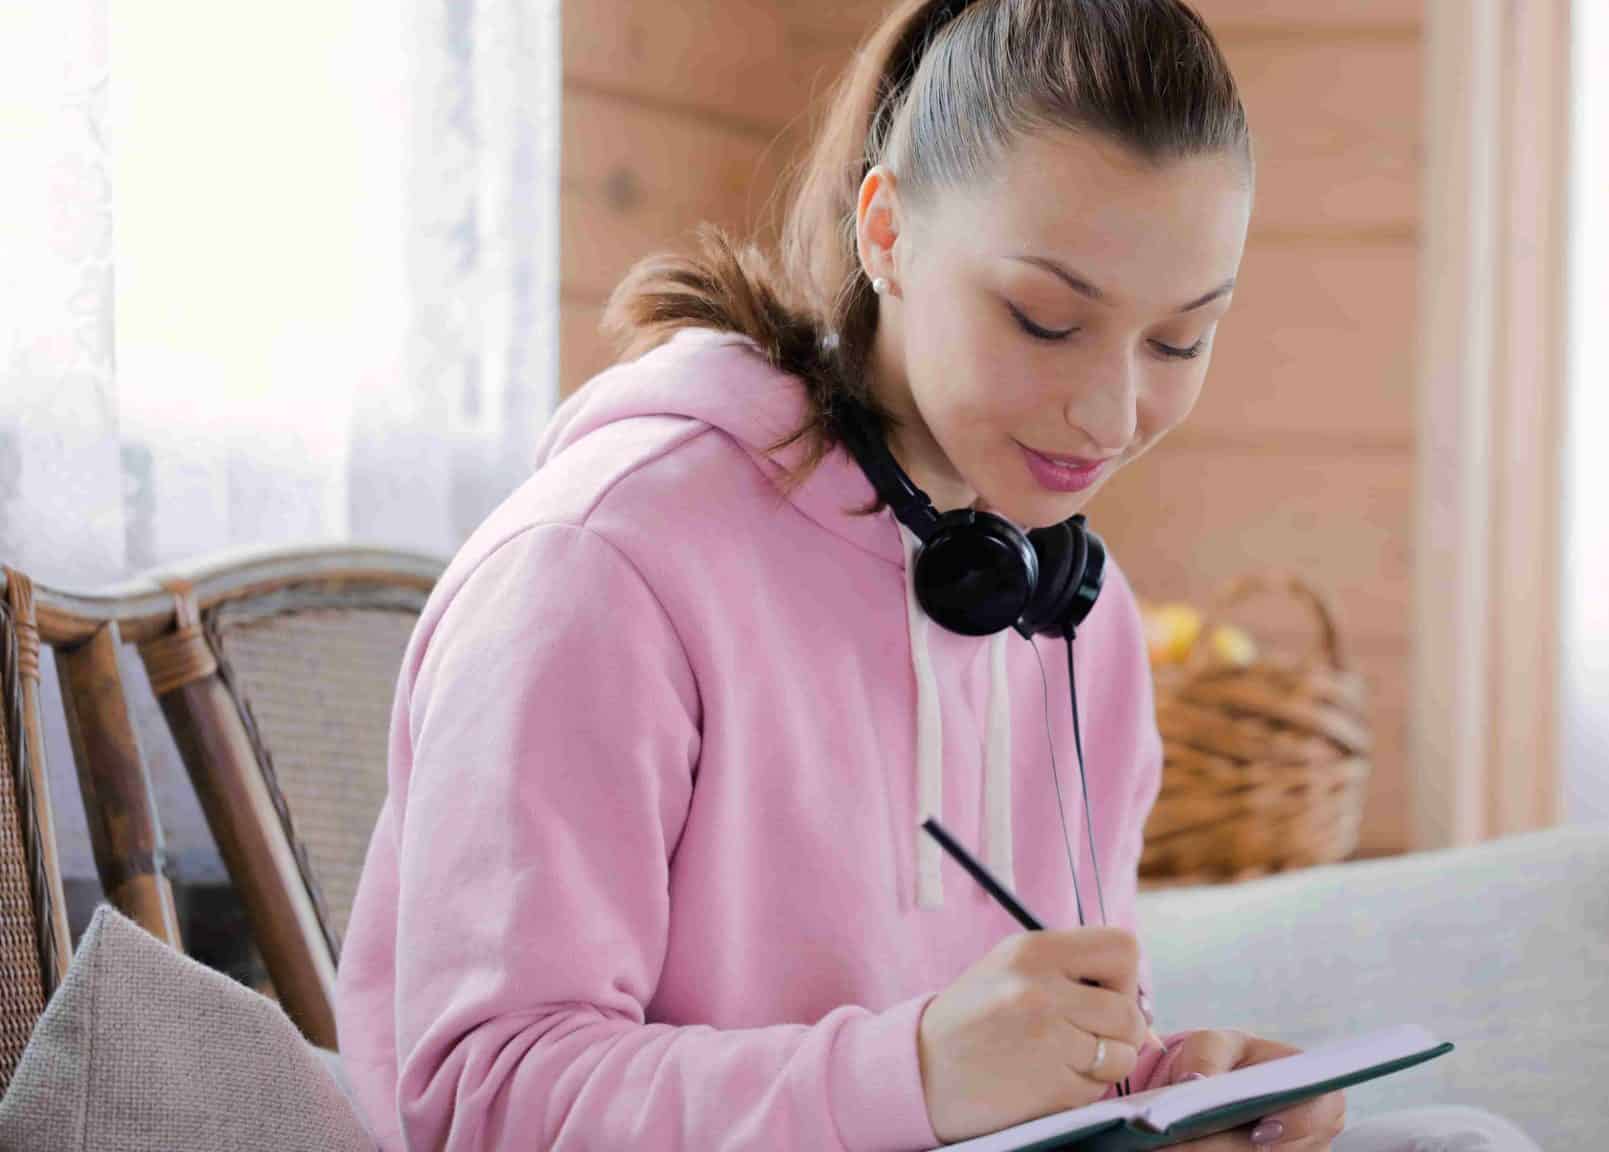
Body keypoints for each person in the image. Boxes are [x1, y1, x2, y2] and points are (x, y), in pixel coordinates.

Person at [335, 2, 1540, 1149]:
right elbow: (475, 1101)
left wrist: (1159, 1093)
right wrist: (909, 1074)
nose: (1110, 411)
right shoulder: (601, 564)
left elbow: (1011, 1066)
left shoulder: (1071, 612)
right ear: (886, 232)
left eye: (1180, 338)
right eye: (1043, 318)